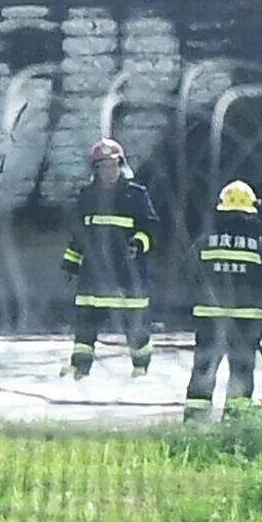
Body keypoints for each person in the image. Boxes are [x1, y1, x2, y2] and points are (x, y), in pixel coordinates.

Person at [60, 139, 159, 379]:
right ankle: (80, 367)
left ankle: (140, 367)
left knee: (134, 325)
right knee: (85, 324)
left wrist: (138, 243)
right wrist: (71, 262)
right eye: (103, 167)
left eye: (113, 165)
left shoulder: (135, 195)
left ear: (121, 165)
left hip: (128, 273)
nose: (108, 171)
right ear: (95, 170)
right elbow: (79, 235)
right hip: (93, 274)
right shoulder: (87, 196)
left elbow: (151, 227)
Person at [185, 181, 262, 421]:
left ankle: (194, 422)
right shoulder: (258, 246)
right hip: (246, 323)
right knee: (241, 373)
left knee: (203, 369)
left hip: (209, 319)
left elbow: (188, 272)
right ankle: (236, 423)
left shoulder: (204, 242)